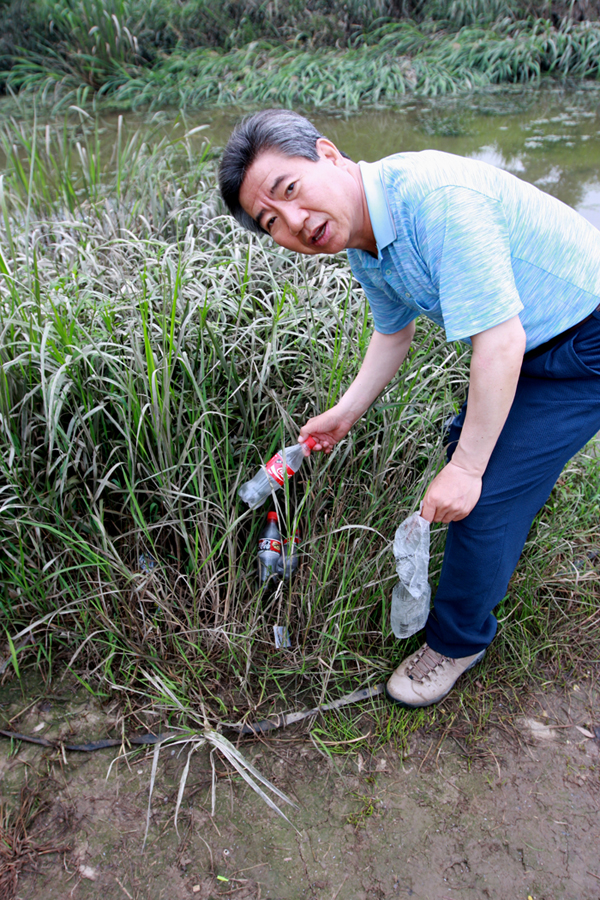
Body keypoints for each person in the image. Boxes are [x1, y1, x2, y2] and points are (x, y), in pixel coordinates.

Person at [218, 108, 600, 708]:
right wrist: (345, 413)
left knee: (481, 491)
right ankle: (496, 530)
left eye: (290, 191)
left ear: (328, 154)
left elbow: (499, 341)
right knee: (467, 459)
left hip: (583, 339)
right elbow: (393, 333)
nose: (295, 221)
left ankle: (456, 643)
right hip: (529, 335)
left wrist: (471, 471)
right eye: (272, 221)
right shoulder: (364, 238)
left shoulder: (436, 201)